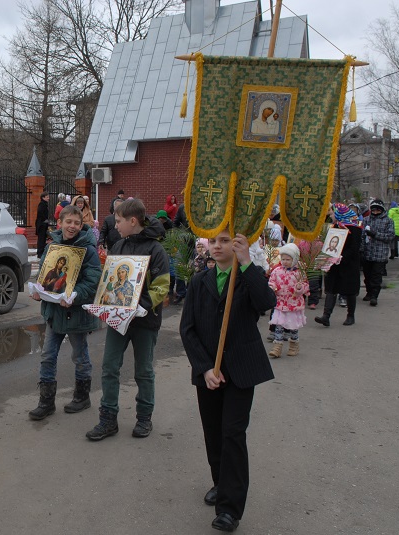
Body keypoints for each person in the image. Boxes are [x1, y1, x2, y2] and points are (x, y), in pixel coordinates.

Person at [179, 229, 277, 533]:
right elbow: (187, 329)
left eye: (225, 241)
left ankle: (230, 509)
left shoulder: (248, 277)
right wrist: (205, 368)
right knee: (213, 433)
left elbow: (266, 302)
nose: (218, 246)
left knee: (232, 433)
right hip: (209, 372)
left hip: (241, 370)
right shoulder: (199, 281)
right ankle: (220, 482)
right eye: (214, 241)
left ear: (238, 245)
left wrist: (246, 262)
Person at [86, 199, 170, 441]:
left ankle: (144, 417)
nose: (115, 225)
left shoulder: (156, 249)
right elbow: (110, 280)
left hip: (145, 321)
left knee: (143, 371)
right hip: (118, 320)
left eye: (118, 220)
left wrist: (141, 307)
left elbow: (162, 286)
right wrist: (103, 300)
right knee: (110, 367)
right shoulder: (119, 246)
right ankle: (108, 419)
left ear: (133, 221)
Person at [29, 204, 102, 420]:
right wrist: (39, 291)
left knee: (79, 355)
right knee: (47, 356)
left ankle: (82, 397)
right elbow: (44, 276)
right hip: (55, 312)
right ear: (59, 223)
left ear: (82, 225)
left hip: (76, 313)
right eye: (68, 222)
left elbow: (93, 281)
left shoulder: (88, 250)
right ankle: (46, 402)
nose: (72, 226)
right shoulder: (53, 247)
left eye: (77, 223)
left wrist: (75, 295)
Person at [315, 203, 362, 327]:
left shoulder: (354, 228)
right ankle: (326, 316)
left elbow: (354, 248)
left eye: (332, 213)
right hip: (334, 263)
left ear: (339, 213)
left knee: (349, 290)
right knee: (331, 288)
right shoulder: (334, 226)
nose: (330, 216)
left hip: (349, 263)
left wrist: (342, 257)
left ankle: (350, 315)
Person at [267, 243, 309, 358]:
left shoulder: (299, 272)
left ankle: (294, 345)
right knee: (279, 325)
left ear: (294, 259)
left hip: (293, 304)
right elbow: (272, 281)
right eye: (283, 259)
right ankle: (277, 347)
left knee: (293, 327)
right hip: (280, 303)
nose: (285, 262)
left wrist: (299, 288)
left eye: (288, 259)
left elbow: (306, 286)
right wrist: (272, 287)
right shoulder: (277, 271)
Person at [362, 199, 395, 306]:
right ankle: (369, 292)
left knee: (376, 276)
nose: (375, 212)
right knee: (367, 275)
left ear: (382, 210)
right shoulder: (366, 220)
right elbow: (361, 235)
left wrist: (375, 234)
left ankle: (374, 296)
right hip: (367, 253)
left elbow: (390, 236)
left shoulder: (388, 221)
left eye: (378, 210)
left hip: (380, 254)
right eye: (374, 210)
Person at [35, 192, 50, 258]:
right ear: (43, 197)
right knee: (41, 239)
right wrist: (45, 219)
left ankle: (41, 252)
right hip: (41, 225)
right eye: (47, 197)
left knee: (43, 239)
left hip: (43, 224)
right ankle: (40, 253)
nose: (48, 198)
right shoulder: (42, 204)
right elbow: (40, 213)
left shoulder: (44, 204)